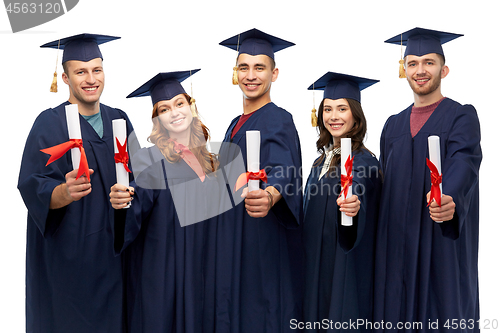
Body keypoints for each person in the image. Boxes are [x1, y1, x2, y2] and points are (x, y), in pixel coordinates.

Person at [17, 33, 137, 333]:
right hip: (71, 258)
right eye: (80, 71)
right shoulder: (49, 123)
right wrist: (63, 192)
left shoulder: (119, 120)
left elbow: (141, 179)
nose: (90, 79)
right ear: (65, 77)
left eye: (96, 69)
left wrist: (133, 193)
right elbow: (32, 184)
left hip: (116, 254)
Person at [374, 28, 482, 332]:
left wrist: (450, 196)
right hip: (395, 247)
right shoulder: (392, 125)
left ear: (443, 69)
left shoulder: (460, 116)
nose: (420, 70)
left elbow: (465, 161)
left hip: (438, 242)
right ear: (404, 70)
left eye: (429, 62)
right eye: (412, 63)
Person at [109, 70, 225, 333]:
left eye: (179, 104)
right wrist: (123, 201)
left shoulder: (210, 161)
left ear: (190, 106)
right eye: (164, 109)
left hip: (202, 269)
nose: (174, 112)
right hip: (162, 273)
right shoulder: (148, 159)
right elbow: (135, 206)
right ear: (158, 120)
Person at [214, 28, 303, 333]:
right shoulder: (233, 124)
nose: (251, 75)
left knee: (258, 309)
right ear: (235, 73)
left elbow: (285, 167)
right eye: (244, 67)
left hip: (258, 235)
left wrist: (270, 195)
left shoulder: (278, 117)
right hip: (231, 237)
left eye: (259, 67)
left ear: (274, 73)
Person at [302, 72, 381, 333]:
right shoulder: (319, 162)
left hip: (342, 263)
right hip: (315, 262)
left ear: (356, 115)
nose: (333, 116)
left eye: (342, 109)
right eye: (327, 109)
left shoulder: (364, 160)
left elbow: (357, 184)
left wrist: (353, 204)